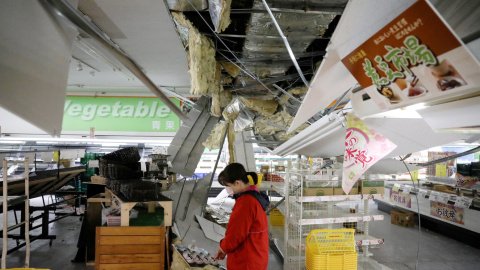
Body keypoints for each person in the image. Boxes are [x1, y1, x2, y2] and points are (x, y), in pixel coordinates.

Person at [214, 163, 270, 270]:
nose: (227, 189)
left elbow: (235, 235)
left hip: (246, 261)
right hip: (257, 257)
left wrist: (223, 248)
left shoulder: (246, 203)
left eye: (228, 186)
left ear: (237, 183)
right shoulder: (255, 196)